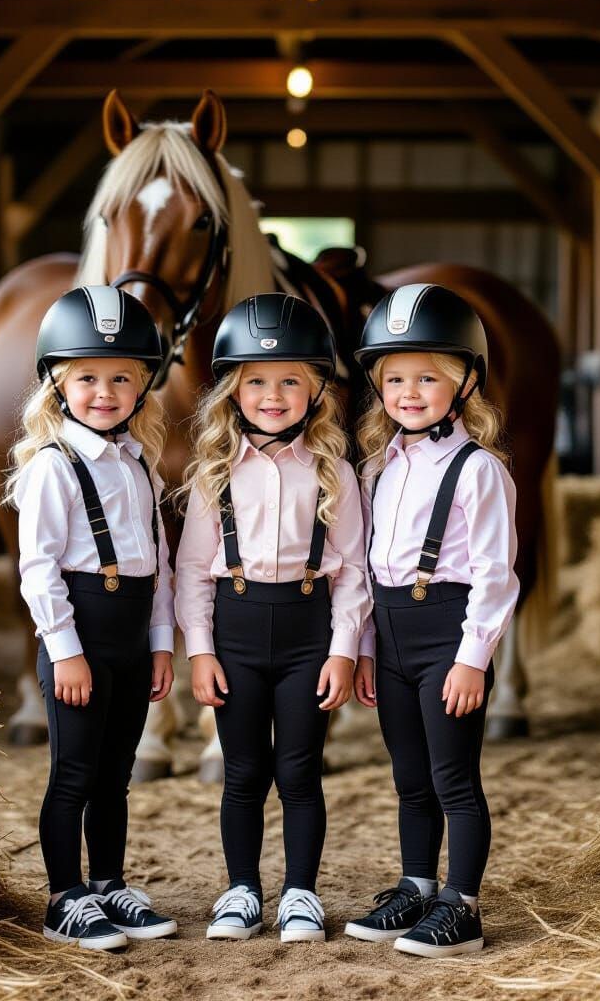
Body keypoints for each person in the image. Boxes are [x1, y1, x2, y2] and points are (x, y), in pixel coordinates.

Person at [175, 293, 369, 944]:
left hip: (307, 632)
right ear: (233, 391)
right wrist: (199, 650)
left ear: (316, 390)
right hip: (234, 630)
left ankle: (301, 893)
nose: (273, 394)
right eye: (256, 381)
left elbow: (353, 572)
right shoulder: (214, 474)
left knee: (299, 769)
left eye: (291, 380)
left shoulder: (335, 472)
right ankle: (240, 890)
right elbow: (193, 571)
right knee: (243, 771)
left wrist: (344, 650)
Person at [344, 283, 519, 957]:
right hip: (389, 636)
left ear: (464, 382)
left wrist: (474, 656)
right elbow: (364, 568)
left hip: (448, 633)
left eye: (427, 376)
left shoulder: (479, 471)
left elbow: (496, 575)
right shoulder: (378, 468)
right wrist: (363, 646)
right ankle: (417, 886)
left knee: (454, 779)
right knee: (409, 777)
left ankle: (462, 905)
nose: (408, 391)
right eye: (394, 378)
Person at [4, 285, 178, 949]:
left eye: (120, 378)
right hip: (80, 637)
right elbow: (39, 570)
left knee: (116, 772)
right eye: (86, 378)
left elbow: (156, 565)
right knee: (73, 772)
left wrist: (162, 644)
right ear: (57, 382)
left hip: (133, 638)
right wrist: (65, 650)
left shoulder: (140, 465)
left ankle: (108, 883)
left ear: (142, 388)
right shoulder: (54, 467)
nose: (103, 391)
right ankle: (64, 896)